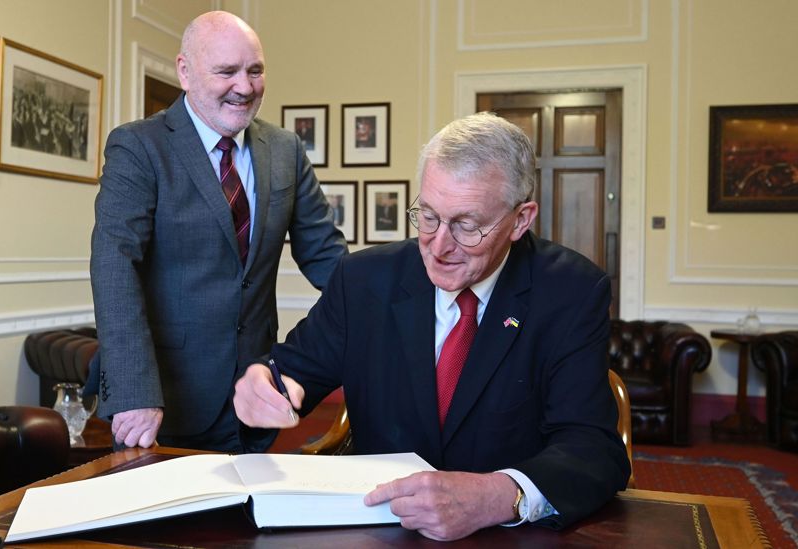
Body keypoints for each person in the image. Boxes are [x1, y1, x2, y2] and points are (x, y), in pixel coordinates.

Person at [233, 112, 630, 540]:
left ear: (520, 220)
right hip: (380, 528)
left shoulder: (571, 292)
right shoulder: (364, 279)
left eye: (467, 225)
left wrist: (498, 495)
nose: (439, 246)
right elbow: (293, 370)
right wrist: (264, 383)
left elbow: (593, 450)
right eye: (428, 216)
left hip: (505, 534)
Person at [89, 11, 347, 453]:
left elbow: (328, 258)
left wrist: (400, 303)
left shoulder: (285, 150)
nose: (244, 87)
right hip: (162, 402)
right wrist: (135, 394)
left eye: (255, 71)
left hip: (254, 393)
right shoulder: (139, 146)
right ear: (185, 72)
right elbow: (114, 267)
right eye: (226, 72)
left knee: (248, 522)